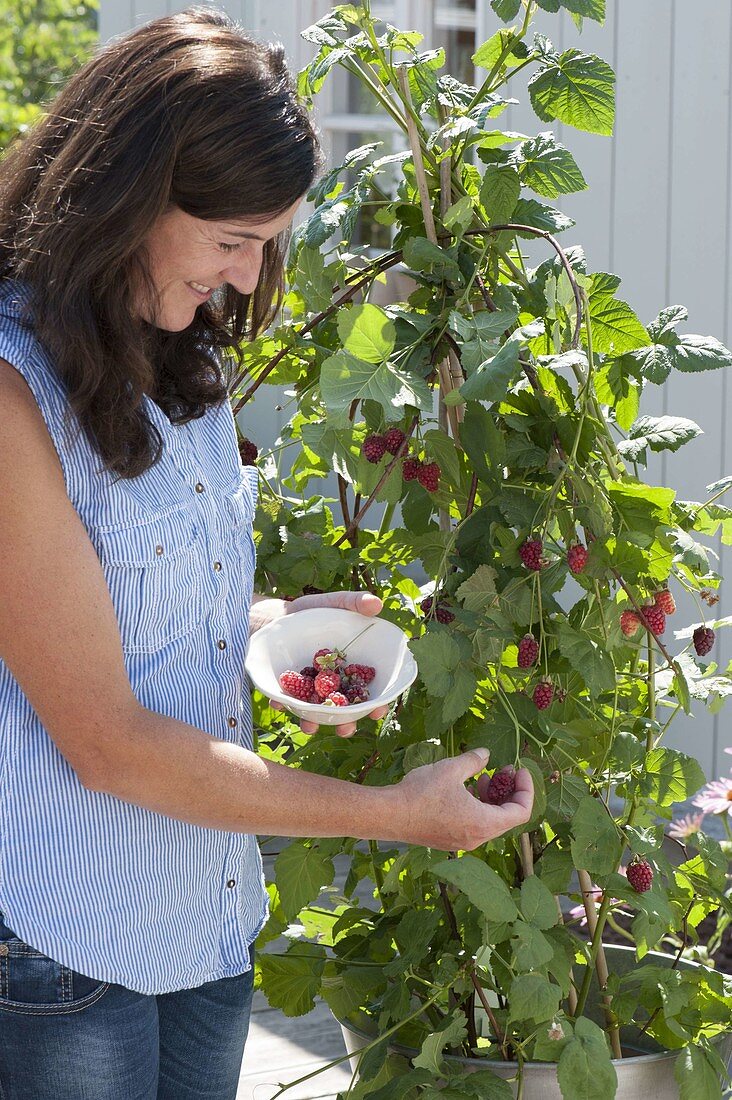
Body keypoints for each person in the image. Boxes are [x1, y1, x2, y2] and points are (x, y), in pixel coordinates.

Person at [0, 7, 534, 1098]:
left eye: (267, 241)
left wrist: (268, 630)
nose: (247, 278)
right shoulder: (12, 395)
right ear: (129, 198)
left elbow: (112, 611)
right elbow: (105, 741)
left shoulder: (171, 341)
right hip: (63, 943)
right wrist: (396, 816)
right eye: (233, 239)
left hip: (203, 918)